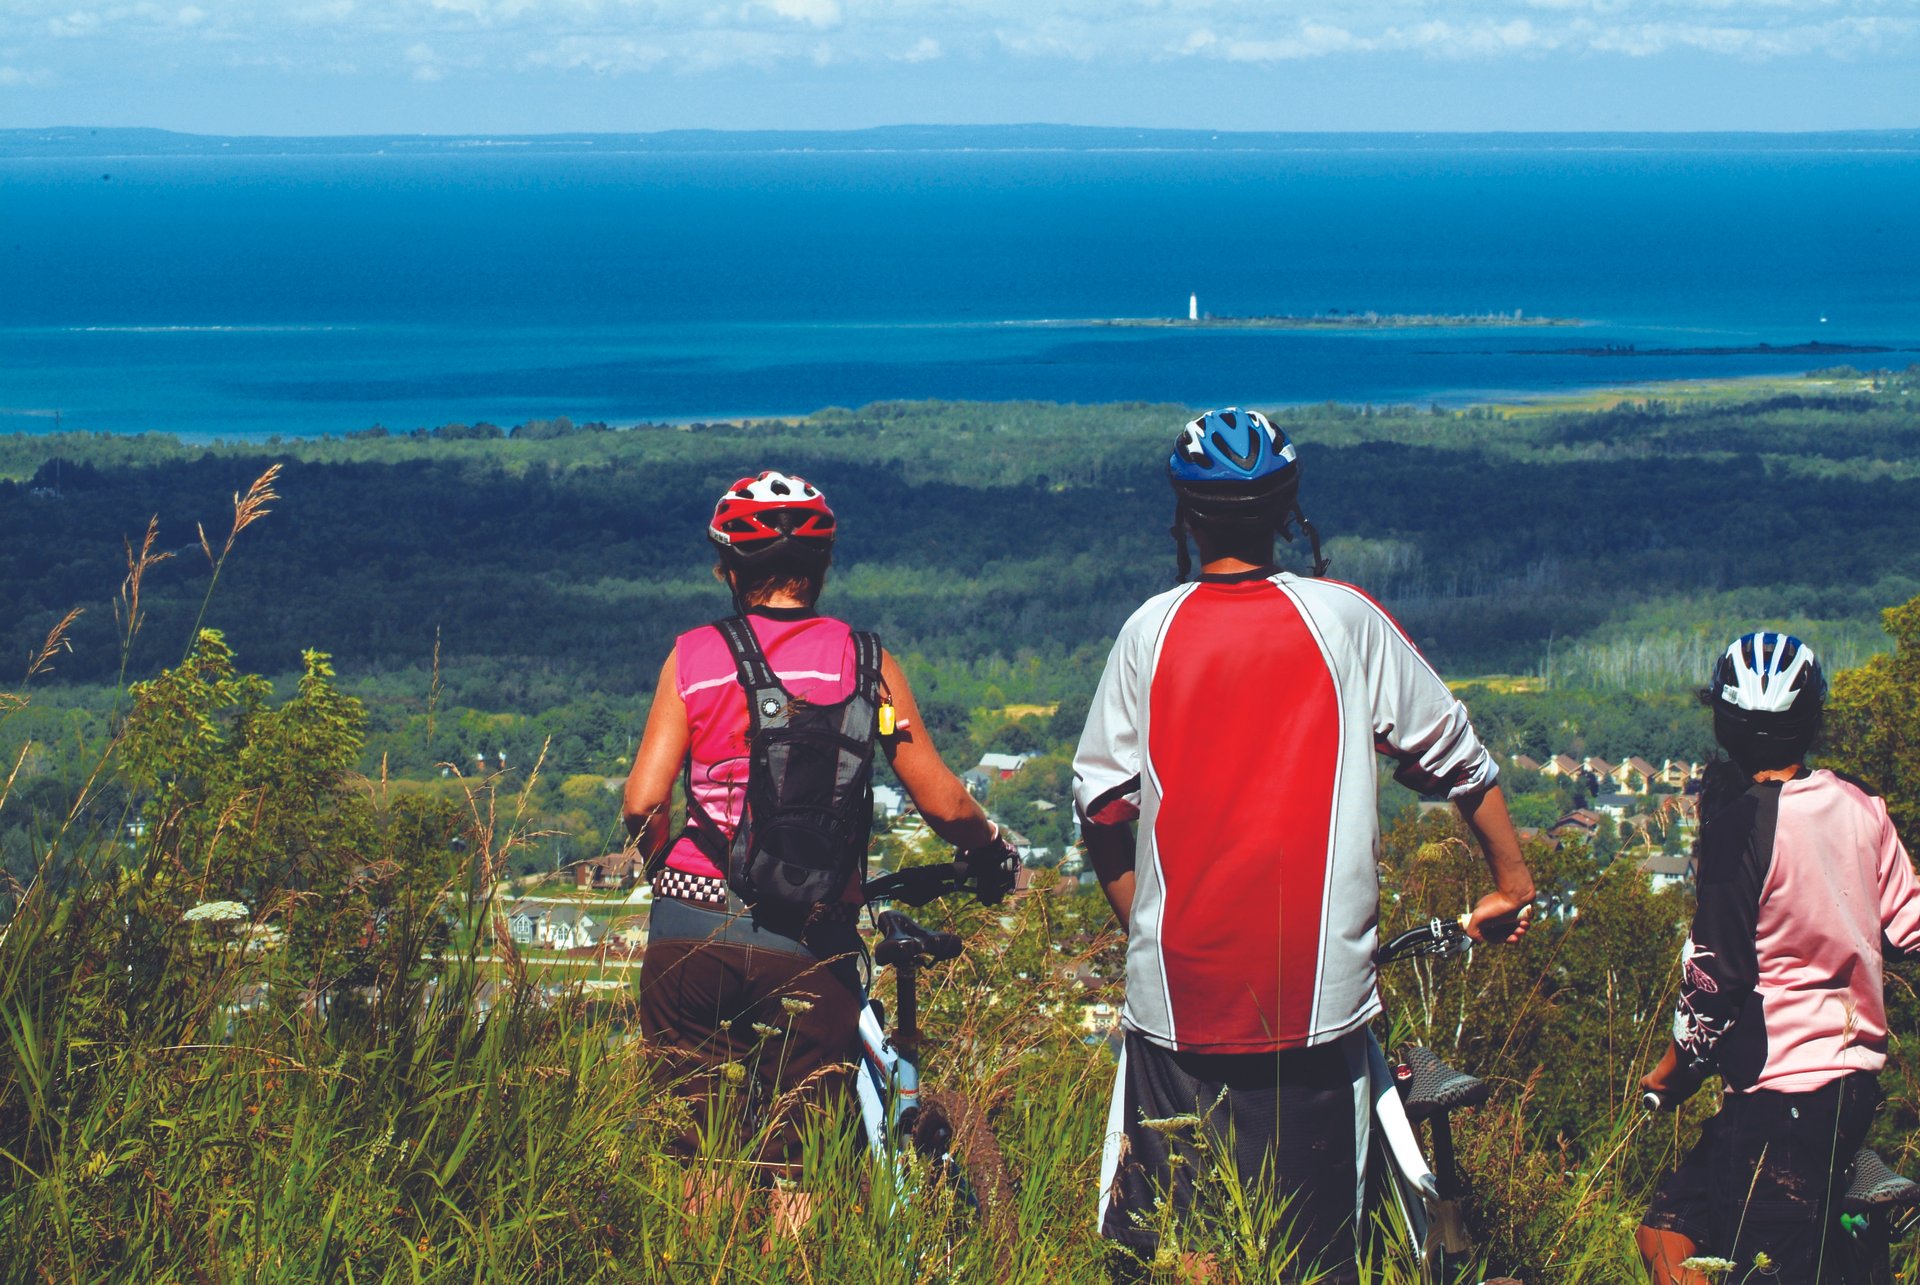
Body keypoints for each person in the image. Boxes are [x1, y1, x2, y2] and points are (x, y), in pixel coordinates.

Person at [1071, 407, 1535, 1282]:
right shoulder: (1344, 619)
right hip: (1318, 1000)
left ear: (1186, 516)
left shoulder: (1149, 631)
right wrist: (1510, 878)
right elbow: (1458, 757)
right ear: (1287, 509)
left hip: (1178, 1001)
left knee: (1169, 1250)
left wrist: (1145, 923)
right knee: (1316, 1254)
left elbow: (1101, 804)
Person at [622, 470, 1016, 1200]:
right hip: (808, 935)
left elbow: (646, 800)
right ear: (822, 568)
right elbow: (944, 800)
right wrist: (991, 849)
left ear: (728, 569)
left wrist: (670, 875)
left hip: (688, 928)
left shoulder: (694, 657)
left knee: (693, 1156)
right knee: (798, 1168)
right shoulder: (868, 665)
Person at [1638, 631, 1920, 1285]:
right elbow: (1907, 928)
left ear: (1725, 722)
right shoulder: (1860, 804)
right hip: (1848, 1088)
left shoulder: (1741, 824)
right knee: (1667, 1226)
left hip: (1780, 1095)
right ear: (1811, 718)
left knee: (1743, 1261)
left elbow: (1713, 982)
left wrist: (1672, 1073)